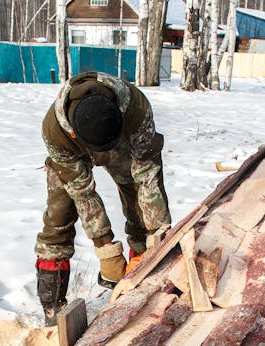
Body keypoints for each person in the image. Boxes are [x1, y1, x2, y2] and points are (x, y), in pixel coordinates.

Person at [35, 71, 172, 326]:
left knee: (141, 207)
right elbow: (83, 193)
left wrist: (158, 237)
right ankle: (53, 310)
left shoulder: (136, 110)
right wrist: (105, 247)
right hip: (70, 155)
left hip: (122, 142)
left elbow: (148, 178)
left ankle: (142, 282)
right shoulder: (55, 133)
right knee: (59, 217)